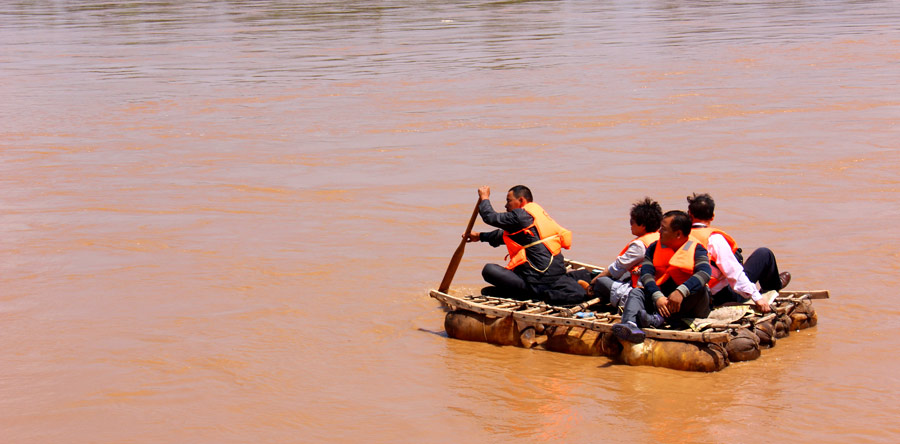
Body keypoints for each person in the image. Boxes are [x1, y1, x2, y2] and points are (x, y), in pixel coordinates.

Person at [465, 185, 586, 305]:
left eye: (509, 201)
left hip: (537, 283)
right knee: (488, 291)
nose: (506, 206)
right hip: (558, 277)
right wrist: (480, 236)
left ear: (521, 200)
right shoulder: (535, 215)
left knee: (489, 270)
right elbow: (508, 236)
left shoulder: (520, 216)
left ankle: (530, 295)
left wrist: (484, 197)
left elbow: (490, 217)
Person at [612, 210, 712, 343]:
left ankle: (657, 319)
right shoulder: (654, 248)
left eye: (663, 229)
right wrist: (657, 296)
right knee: (637, 292)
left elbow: (705, 273)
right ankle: (630, 324)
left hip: (687, 303)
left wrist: (681, 292)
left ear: (678, 234)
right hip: (662, 299)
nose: (659, 232)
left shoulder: (697, 249)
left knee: (700, 290)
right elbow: (646, 274)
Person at [686, 193, 791, 313]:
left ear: (689, 214)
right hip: (721, 296)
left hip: (694, 294)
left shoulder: (681, 237)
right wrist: (757, 298)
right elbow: (734, 273)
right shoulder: (714, 239)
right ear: (713, 216)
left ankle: (774, 284)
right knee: (764, 254)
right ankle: (773, 287)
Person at [571, 198, 662, 311]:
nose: (630, 225)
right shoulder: (660, 237)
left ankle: (591, 291)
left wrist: (594, 281)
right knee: (622, 275)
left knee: (601, 281)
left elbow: (616, 268)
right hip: (655, 284)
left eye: (632, 222)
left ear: (642, 225)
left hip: (640, 290)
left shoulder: (640, 245)